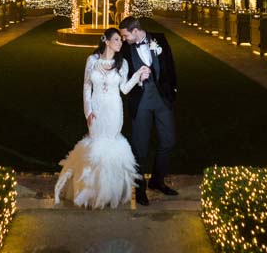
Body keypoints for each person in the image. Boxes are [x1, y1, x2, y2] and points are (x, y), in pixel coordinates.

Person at [54, 27, 152, 209]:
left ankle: (109, 193)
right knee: (95, 146)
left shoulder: (122, 64)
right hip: (97, 109)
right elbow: (86, 87)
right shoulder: (91, 61)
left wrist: (138, 76)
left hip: (114, 110)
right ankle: (91, 191)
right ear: (106, 41)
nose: (120, 43)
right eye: (116, 40)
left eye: (121, 40)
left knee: (110, 145)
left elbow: (124, 89)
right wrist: (88, 111)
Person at [118, 15, 178, 207]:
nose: (124, 38)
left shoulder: (159, 39)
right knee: (140, 148)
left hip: (162, 100)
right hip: (140, 101)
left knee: (168, 141)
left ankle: (157, 180)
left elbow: (170, 66)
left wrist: (173, 92)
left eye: (126, 35)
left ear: (135, 31)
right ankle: (140, 188)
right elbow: (108, 51)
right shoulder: (126, 48)